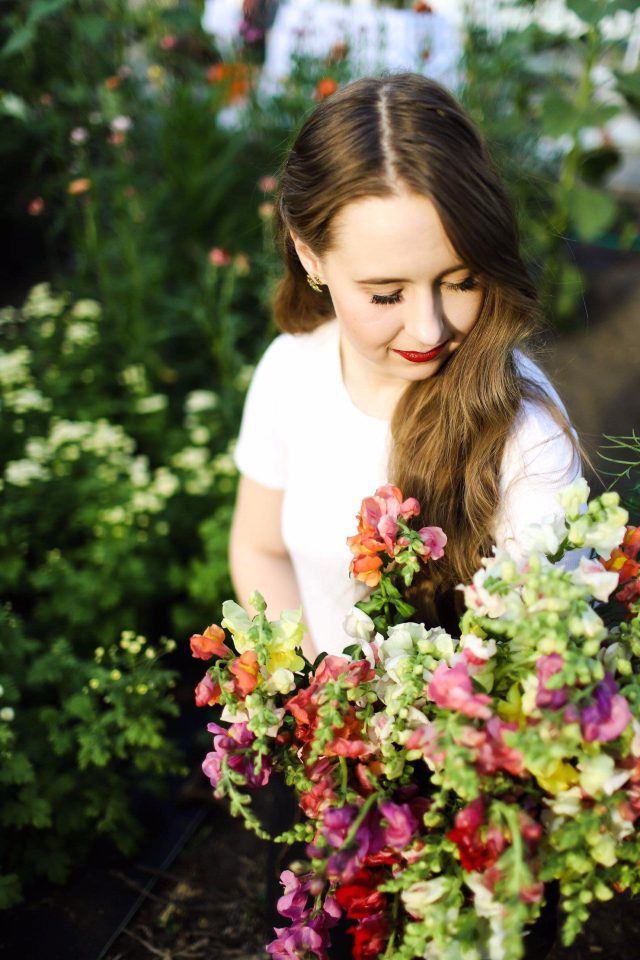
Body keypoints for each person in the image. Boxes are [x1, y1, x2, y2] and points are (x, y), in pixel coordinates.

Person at [229, 71, 583, 664]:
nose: (429, 329)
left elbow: (545, 656)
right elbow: (258, 548)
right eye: (387, 294)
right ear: (310, 255)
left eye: (460, 281)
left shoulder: (524, 431)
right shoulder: (290, 371)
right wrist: (316, 691)